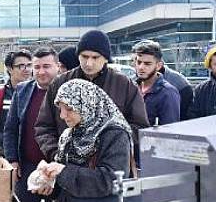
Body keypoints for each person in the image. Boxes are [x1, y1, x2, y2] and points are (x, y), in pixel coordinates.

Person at [38, 79, 134, 202]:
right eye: (60, 109)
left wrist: (63, 172)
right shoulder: (70, 134)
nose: (62, 116)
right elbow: (66, 179)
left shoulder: (115, 135)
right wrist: (50, 185)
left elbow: (111, 180)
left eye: (69, 109)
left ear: (88, 105)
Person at [35, 30, 148, 164]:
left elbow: (140, 127)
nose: (89, 63)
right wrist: (57, 153)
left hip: (108, 168)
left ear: (105, 58)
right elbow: (43, 127)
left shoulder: (124, 85)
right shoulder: (60, 83)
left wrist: (109, 147)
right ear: (78, 56)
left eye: (95, 57)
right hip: (67, 168)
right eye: (84, 56)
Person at [3, 48, 60, 202]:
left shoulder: (67, 90)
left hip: (57, 166)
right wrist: (12, 160)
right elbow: (10, 129)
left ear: (57, 66)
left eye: (47, 66)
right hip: (27, 166)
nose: (41, 72)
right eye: (37, 67)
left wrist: (55, 171)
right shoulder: (22, 91)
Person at [131, 40, 181, 125]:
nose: (141, 67)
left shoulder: (168, 93)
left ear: (158, 66)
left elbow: (170, 131)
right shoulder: (131, 87)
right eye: (139, 62)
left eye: (147, 64)